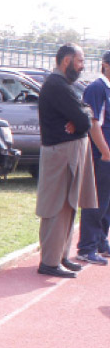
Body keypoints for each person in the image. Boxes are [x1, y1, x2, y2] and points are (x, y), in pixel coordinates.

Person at [35, 43, 97, 278]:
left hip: (69, 151)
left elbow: (86, 113)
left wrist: (83, 115)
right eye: (80, 61)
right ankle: (49, 262)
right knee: (56, 206)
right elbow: (82, 119)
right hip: (60, 153)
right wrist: (81, 116)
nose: (82, 67)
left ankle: (60, 257)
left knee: (69, 205)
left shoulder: (66, 86)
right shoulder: (56, 85)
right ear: (67, 61)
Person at [75, 50, 110, 265]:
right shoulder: (97, 88)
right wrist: (105, 151)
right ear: (106, 65)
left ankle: (100, 240)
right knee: (96, 200)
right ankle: (86, 246)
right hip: (101, 155)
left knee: (107, 201)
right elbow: (93, 123)